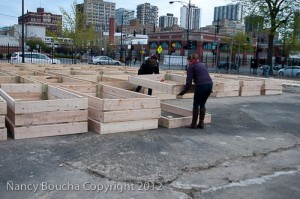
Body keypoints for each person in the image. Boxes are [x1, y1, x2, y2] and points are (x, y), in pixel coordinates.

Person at [177, 53, 213, 129]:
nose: (187, 62)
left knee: (196, 105)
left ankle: (193, 124)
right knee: (202, 104)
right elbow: (204, 76)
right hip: (209, 85)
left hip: (201, 85)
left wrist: (182, 92)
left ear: (190, 60)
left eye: (188, 60)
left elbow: (188, 82)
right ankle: (201, 123)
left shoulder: (191, 67)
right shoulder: (202, 65)